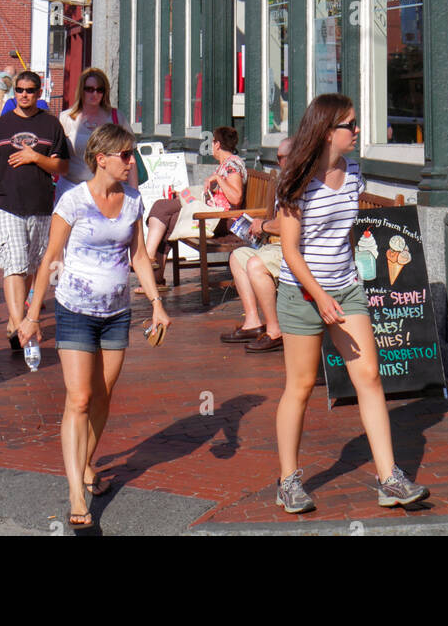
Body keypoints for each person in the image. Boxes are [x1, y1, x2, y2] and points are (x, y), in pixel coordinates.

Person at [274, 94, 429, 514]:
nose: (357, 131)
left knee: (370, 377)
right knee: (301, 386)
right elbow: (290, 250)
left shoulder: (354, 171)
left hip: (345, 289)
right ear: (328, 132)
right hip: (302, 292)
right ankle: (288, 481)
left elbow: (342, 235)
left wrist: (344, 282)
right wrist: (318, 295)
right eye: (351, 125)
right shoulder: (296, 181)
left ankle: (389, 478)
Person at [17, 122, 170, 529]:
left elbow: (139, 256)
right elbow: (51, 258)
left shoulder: (134, 200)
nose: (130, 161)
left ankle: (85, 462)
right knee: (79, 399)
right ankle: (75, 493)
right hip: (74, 310)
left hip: (118, 312)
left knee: (103, 397)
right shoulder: (72, 202)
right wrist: (33, 314)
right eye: (124, 154)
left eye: (132, 153)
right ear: (100, 159)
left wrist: (157, 304)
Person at [0, 70, 70, 349]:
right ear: (13, 92)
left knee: (32, 264)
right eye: (19, 90)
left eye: (30, 90)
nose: (24, 95)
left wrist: (36, 157)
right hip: (6, 202)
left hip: (40, 204)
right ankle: (20, 326)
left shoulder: (51, 125)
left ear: (39, 92)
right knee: (14, 263)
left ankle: (14, 321)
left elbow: (62, 166)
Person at [143, 125, 246, 283]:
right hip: (211, 213)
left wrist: (218, 179)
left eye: (213, 142)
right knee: (165, 211)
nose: (212, 146)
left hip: (221, 218)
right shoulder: (226, 164)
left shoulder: (232, 166)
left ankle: (151, 266)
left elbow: (236, 198)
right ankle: (154, 274)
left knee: (166, 213)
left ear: (217, 144)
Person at [220, 135, 292, 352]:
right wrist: (261, 227)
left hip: (297, 248)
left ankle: (274, 329)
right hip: (277, 243)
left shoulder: (302, 184)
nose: (280, 162)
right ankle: (252, 321)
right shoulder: (285, 182)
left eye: (283, 157)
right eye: (277, 158)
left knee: (255, 264)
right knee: (238, 257)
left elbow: (293, 225)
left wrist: (264, 226)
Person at [59, 68, 134, 187]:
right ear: (81, 90)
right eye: (89, 89)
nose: (95, 94)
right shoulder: (66, 118)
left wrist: (134, 191)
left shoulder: (116, 117)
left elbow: (130, 156)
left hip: (109, 188)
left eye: (100, 90)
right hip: (72, 186)